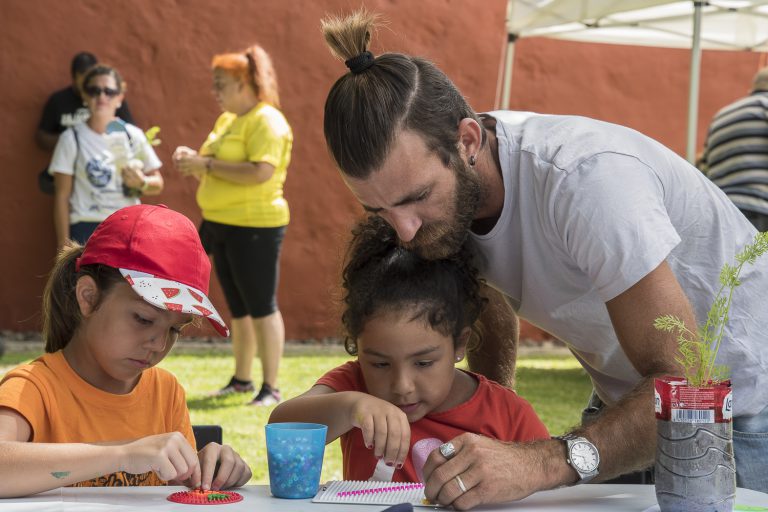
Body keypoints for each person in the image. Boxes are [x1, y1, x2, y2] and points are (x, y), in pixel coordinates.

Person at [319, 9, 768, 509]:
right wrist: (491, 427)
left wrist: (539, 461)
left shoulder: (587, 183)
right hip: (631, 399)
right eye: (378, 209)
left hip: (741, 404)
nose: (404, 231)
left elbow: (688, 382)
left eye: (416, 196)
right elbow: (482, 301)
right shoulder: (447, 200)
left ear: (467, 141)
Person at [269, 216, 548, 482]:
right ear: (358, 347)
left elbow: (551, 488)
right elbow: (281, 426)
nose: (402, 386)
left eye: (423, 363)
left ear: (459, 344)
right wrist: (350, 407)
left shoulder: (508, 414)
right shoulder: (354, 387)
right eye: (380, 364)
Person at [0, 204, 252, 498]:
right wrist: (121, 454)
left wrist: (210, 469)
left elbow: (177, 492)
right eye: (143, 319)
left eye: (175, 329)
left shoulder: (165, 391)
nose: (159, 345)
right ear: (89, 297)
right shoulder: (33, 388)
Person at [173, 44, 292, 406]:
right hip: (220, 223)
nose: (216, 92)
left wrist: (205, 166)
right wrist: (192, 159)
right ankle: (242, 380)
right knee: (238, 307)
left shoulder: (267, 121)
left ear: (244, 84)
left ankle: (270, 386)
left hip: (254, 225)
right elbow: (213, 160)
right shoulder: (229, 121)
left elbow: (261, 171)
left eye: (221, 84)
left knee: (262, 305)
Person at [49, 64, 163, 249]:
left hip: (127, 226)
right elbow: (62, 196)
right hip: (85, 227)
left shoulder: (132, 135)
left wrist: (141, 183)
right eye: (94, 90)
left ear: (119, 98)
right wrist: (64, 246)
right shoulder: (71, 138)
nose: (102, 96)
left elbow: (158, 183)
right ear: (85, 96)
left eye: (109, 91)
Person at [701, 67, 768, 231]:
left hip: (722, 211)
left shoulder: (721, 115)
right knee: (759, 256)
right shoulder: (764, 104)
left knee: (742, 258)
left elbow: (703, 165)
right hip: (759, 210)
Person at [36, 52, 134, 152]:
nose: (101, 96)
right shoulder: (58, 100)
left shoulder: (110, 99)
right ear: (74, 77)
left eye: (91, 76)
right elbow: (43, 136)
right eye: (83, 75)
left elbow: (130, 133)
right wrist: (73, 140)